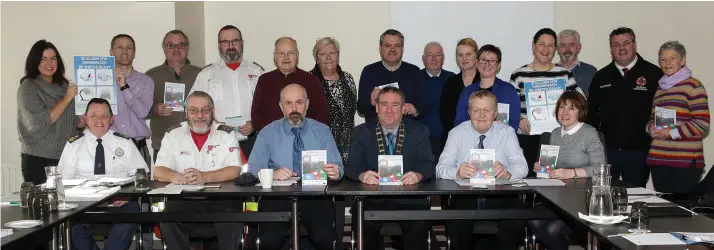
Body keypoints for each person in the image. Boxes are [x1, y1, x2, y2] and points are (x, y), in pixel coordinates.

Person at [248, 84, 342, 250]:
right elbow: (252, 169)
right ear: (281, 106)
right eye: (288, 103)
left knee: (325, 238)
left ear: (307, 104)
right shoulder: (267, 133)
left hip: (315, 195)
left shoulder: (322, 131)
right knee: (269, 240)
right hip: (277, 197)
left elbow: (339, 166)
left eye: (299, 102)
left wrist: (336, 172)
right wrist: (272, 173)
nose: (294, 108)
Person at [436, 90, 528, 250]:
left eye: (487, 110)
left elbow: (522, 167)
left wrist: (508, 173)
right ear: (469, 112)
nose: (481, 115)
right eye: (476, 110)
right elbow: (440, 169)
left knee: (516, 220)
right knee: (457, 225)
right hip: (465, 196)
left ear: (495, 113)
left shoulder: (507, 133)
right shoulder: (456, 134)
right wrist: (457, 172)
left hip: (500, 194)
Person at [153, 91, 245, 250]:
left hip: (221, 198)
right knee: (168, 220)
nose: (200, 115)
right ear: (186, 112)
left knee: (231, 219)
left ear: (213, 112)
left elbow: (234, 170)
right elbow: (158, 171)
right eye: (194, 110)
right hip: (184, 198)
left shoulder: (227, 133)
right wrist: (178, 177)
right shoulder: (173, 134)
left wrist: (204, 176)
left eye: (205, 110)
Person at [345, 86, 434, 250]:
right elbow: (351, 166)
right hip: (372, 199)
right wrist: (362, 175)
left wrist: (418, 174)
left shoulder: (419, 131)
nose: (389, 110)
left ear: (403, 108)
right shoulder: (361, 132)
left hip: (410, 199)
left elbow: (428, 163)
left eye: (395, 105)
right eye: (384, 104)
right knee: (366, 229)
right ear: (377, 107)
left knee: (417, 230)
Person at [59, 98, 148, 250]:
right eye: (93, 115)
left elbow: (141, 175)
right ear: (85, 119)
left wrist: (127, 195)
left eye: (104, 116)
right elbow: (62, 180)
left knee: (131, 212)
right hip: (83, 202)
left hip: (118, 200)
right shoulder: (74, 144)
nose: (99, 120)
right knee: (71, 223)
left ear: (111, 119)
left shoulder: (125, 142)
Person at [528, 90, 606, 250]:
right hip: (556, 199)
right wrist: (542, 168)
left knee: (552, 230)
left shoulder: (589, 133)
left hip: (581, 200)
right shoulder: (555, 133)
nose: (564, 112)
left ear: (581, 111)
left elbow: (601, 168)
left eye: (571, 108)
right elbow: (553, 167)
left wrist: (572, 173)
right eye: (562, 107)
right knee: (533, 221)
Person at [586, 27, 663, 187]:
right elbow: (591, 114)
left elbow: (661, 110)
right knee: (605, 194)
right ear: (611, 49)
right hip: (607, 151)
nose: (621, 48)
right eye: (616, 44)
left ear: (635, 45)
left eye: (626, 43)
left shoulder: (653, 74)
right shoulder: (601, 76)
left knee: (636, 196)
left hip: (640, 151)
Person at [511, 28, 585, 171]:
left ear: (555, 49)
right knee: (528, 180)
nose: (546, 49)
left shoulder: (563, 74)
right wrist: (519, 119)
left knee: (553, 179)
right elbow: (510, 106)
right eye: (541, 44)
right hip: (527, 138)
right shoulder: (518, 74)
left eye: (551, 45)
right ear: (533, 46)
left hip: (556, 137)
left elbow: (580, 101)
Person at [190, 25, 265, 157]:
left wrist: (255, 123)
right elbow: (193, 107)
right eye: (225, 42)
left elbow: (267, 105)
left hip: (253, 141)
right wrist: (214, 125)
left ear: (242, 43)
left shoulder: (257, 71)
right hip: (218, 140)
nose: (230, 46)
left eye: (235, 41)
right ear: (219, 45)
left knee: (252, 177)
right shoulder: (207, 74)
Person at [646, 41, 710, 193]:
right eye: (663, 59)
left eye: (672, 58)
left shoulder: (694, 86)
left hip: (685, 162)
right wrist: (651, 128)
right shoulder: (660, 89)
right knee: (664, 210)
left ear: (683, 60)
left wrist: (669, 133)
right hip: (659, 160)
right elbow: (652, 118)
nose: (667, 63)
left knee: (682, 212)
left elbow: (702, 124)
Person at [17, 39, 80, 184]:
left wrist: (80, 122)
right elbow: (38, 123)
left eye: (53, 58)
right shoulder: (28, 88)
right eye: (43, 59)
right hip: (38, 159)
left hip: (66, 156)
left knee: (67, 204)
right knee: (44, 205)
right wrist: (66, 99)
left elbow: (69, 119)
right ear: (34, 62)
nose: (49, 63)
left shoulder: (65, 86)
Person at [251, 37, 330, 131]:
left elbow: (322, 117)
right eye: (281, 53)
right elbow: (256, 118)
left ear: (297, 55)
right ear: (275, 56)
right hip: (273, 140)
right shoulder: (264, 81)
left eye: (291, 53)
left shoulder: (311, 80)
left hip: (306, 139)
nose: (286, 57)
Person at [147, 29, 202, 162]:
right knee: (164, 182)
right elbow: (139, 109)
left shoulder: (201, 74)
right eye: (171, 45)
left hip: (197, 143)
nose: (176, 49)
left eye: (180, 45)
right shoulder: (151, 76)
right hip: (164, 144)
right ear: (164, 48)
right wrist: (155, 109)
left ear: (187, 48)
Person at [358, 29, 428, 123]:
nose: (392, 50)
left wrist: (416, 111)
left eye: (397, 46)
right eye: (387, 45)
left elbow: (424, 107)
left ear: (402, 49)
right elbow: (361, 109)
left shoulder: (414, 71)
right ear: (380, 48)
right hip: (375, 132)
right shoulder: (369, 71)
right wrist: (371, 102)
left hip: (408, 131)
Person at [108, 34, 155, 167]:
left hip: (137, 145)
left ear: (134, 53)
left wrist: (124, 86)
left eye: (129, 48)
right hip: (108, 146)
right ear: (111, 52)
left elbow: (142, 112)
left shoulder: (145, 81)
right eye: (120, 47)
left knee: (141, 188)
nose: (124, 51)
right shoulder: (101, 81)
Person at [309, 37, 357, 162]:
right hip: (319, 146)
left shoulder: (348, 78)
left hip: (348, 146)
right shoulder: (309, 80)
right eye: (323, 54)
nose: (328, 57)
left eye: (332, 53)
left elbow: (351, 112)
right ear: (317, 59)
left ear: (338, 55)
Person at [454, 44, 520, 131]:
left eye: (492, 61)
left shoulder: (508, 91)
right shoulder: (467, 92)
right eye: (483, 59)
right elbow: (460, 123)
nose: (487, 64)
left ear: (498, 65)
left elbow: (513, 124)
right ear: (477, 63)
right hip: (471, 142)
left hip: (501, 142)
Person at [421, 41, 456, 159]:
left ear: (443, 58)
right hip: (421, 140)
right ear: (423, 59)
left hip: (447, 140)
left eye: (438, 55)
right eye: (430, 55)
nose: (434, 59)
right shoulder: (414, 78)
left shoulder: (453, 79)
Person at [556, 29, 597, 96]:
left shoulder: (591, 72)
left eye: (572, 45)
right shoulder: (551, 72)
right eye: (563, 45)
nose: (567, 49)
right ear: (557, 49)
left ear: (579, 48)